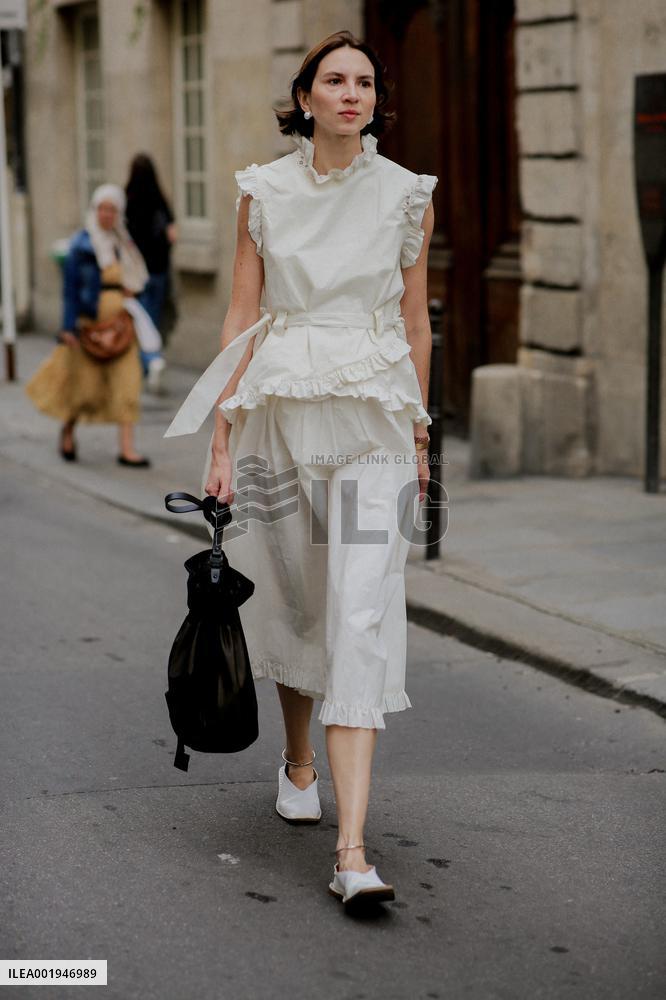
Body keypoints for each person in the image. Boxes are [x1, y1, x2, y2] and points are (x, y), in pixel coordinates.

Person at [165, 30, 437, 910]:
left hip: (377, 426)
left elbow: (417, 324)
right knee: (294, 595)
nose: (351, 93)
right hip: (279, 417)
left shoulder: (406, 196)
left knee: (359, 615)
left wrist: (423, 434)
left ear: (375, 99)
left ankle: (353, 851)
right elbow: (243, 317)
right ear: (307, 97)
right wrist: (220, 440)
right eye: (335, 80)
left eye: (364, 81)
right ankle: (296, 758)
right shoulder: (263, 193)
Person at [25, 184, 151, 467]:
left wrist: (131, 292)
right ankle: (68, 431)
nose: (106, 215)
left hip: (121, 327)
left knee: (128, 383)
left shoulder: (124, 244)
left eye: (112, 210)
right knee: (84, 388)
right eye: (102, 209)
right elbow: (70, 290)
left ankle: (127, 449)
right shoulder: (81, 245)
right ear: (95, 210)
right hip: (90, 327)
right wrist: (68, 328)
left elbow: (137, 278)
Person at [124, 153, 177, 390]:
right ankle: (151, 362)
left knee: (140, 320)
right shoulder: (159, 200)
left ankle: (150, 362)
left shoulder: (128, 201)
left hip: (137, 273)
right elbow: (172, 235)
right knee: (151, 319)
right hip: (159, 270)